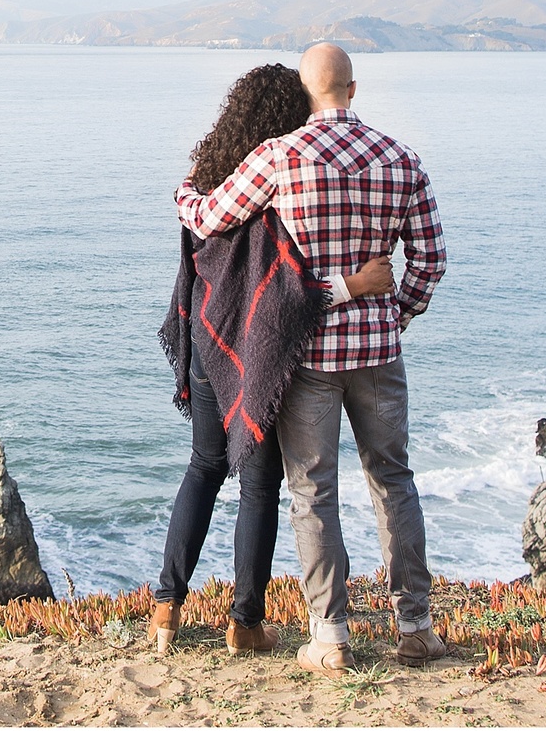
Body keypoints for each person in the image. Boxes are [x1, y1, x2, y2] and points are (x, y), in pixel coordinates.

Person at [176, 43, 446, 674]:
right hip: (378, 353)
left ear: (306, 90)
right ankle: (416, 625)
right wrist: (395, 314)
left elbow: (210, 218)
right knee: (395, 482)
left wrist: (185, 191)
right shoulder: (402, 159)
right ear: (354, 88)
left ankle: (331, 634)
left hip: (311, 356)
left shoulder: (280, 156)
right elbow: (430, 261)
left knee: (311, 491)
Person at [149, 64, 396, 656]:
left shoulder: (209, 181)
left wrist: (184, 191)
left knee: (204, 467)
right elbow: (288, 295)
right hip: (255, 351)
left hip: (209, 340)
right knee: (259, 484)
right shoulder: (279, 183)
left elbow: (195, 220)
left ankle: (165, 610)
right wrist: (355, 287)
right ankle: (244, 622)